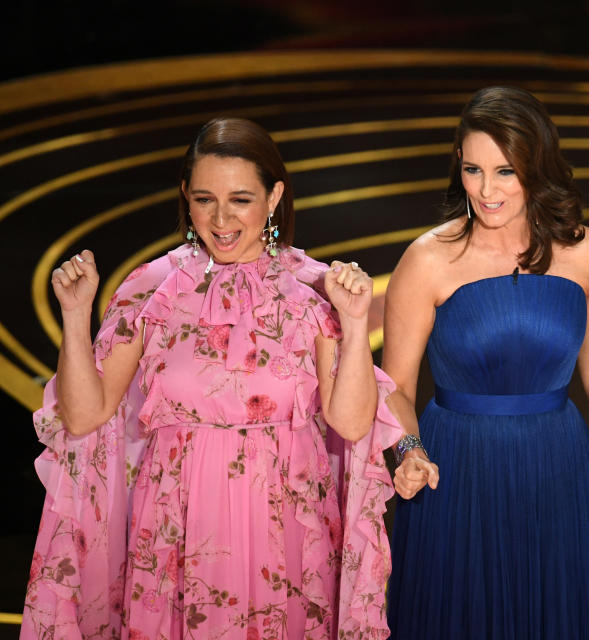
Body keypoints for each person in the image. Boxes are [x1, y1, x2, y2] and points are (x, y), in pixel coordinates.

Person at [21, 118, 402, 639]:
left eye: (241, 199)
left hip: (287, 534)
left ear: (274, 198)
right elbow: (87, 414)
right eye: (204, 199)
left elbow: (352, 421)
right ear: (186, 196)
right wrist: (75, 313)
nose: (220, 219)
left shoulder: (313, 289)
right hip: (176, 532)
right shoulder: (152, 289)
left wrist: (356, 323)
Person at [383, 86, 589, 640]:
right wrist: (409, 451)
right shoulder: (426, 260)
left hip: (558, 467)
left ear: (536, 168)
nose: (486, 190)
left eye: (506, 172)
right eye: (473, 170)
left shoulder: (585, 251)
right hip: (455, 473)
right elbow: (396, 384)